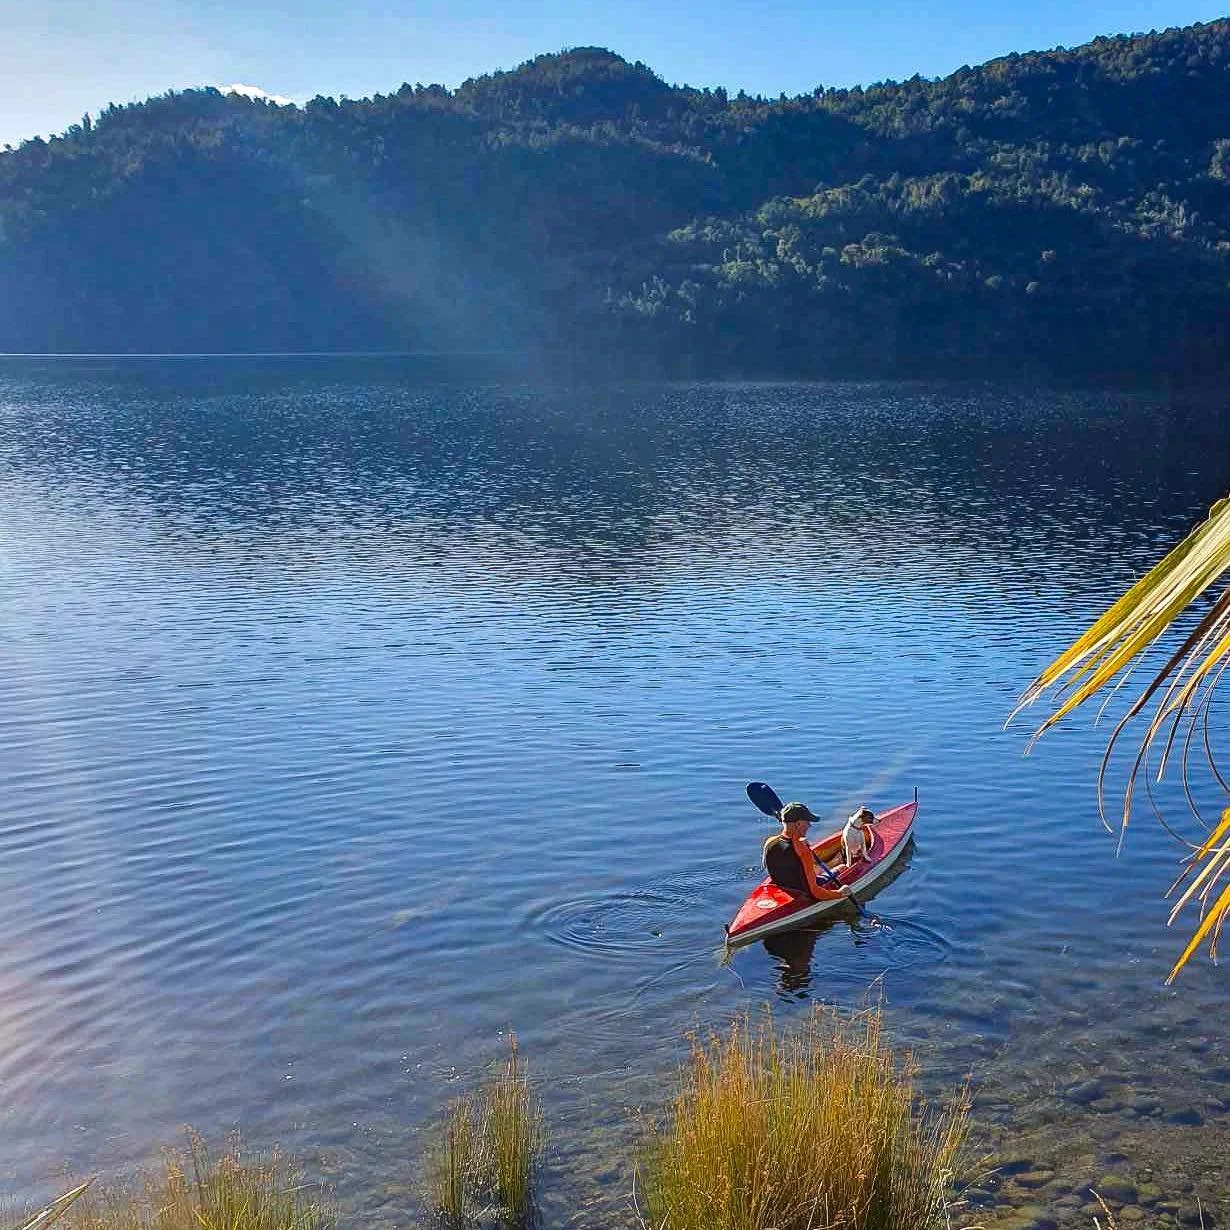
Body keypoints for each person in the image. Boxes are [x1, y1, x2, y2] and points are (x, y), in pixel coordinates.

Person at [763, 801, 851, 901]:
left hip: (782, 888)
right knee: (842, 867)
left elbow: (784, 857)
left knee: (815, 868)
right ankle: (838, 862)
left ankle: (835, 860)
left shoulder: (770, 842)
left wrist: (797, 840)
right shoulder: (802, 851)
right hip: (804, 893)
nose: (809, 825)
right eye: (807, 822)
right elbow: (815, 892)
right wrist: (840, 893)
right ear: (797, 824)